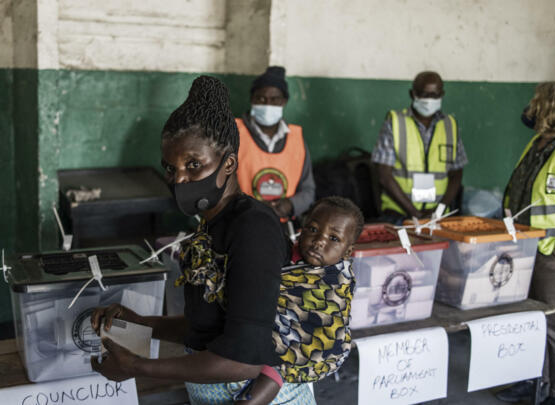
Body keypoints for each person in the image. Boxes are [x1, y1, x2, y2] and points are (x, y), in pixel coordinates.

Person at [90, 76, 315, 404]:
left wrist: (138, 366)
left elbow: (244, 359)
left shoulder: (253, 228)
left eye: (193, 165)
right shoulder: (209, 226)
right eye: (170, 168)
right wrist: (142, 323)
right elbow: (209, 326)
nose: (179, 179)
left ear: (229, 164)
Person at [236, 197, 364, 404]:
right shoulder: (283, 252)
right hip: (275, 335)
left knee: (274, 369)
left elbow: (330, 313)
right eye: (313, 230)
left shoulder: (337, 277)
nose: (320, 240)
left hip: (315, 344)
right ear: (301, 230)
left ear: (348, 252)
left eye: (334, 238)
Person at [497, 81, 555, 405]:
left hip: (553, 255)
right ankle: (532, 381)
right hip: (525, 249)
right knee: (529, 320)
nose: (530, 109)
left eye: (535, 102)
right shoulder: (538, 143)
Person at [372, 71, 468, 224]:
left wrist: (439, 210)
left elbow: (456, 173)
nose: (430, 100)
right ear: (413, 94)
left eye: (435, 95)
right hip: (399, 214)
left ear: (442, 94)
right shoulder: (395, 122)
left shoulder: (450, 125)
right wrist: (414, 213)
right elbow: (384, 175)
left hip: (439, 215)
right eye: (425, 94)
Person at [235, 66, 315, 222]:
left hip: (282, 227)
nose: (267, 104)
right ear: (252, 100)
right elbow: (217, 187)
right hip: (241, 222)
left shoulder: (296, 139)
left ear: (284, 102)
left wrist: (290, 205)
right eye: (261, 99)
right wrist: (251, 206)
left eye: (275, 100)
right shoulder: (232, 133)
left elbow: (308, 191)